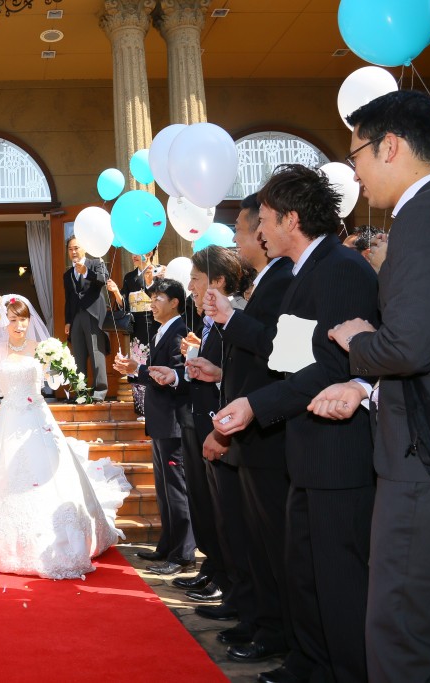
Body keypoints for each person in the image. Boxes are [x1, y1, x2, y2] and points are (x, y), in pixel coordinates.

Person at [315, 91, 430, 682]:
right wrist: (369, 389)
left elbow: (409, 347)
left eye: (357, 154)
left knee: (400, 643)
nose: (355, 173)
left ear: (388, 145)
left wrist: (356, 341)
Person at [211, 164, 379, 683]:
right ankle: (310, 664)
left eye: (263, 219)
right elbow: (288, 356)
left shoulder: (339, 268)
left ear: (291, 218)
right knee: (306, 573)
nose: (258, 232)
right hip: (306, 449)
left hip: (337, 453)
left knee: (337, 582)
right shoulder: (309, 268)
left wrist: (255, 406)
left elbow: (330, 368)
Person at [0, 296, 131, 578]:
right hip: (9, 417)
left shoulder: (41, 348)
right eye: (12, 320)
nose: (19, 325)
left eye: (23, 319)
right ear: (3, 322)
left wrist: (61, 367)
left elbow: (54, 382)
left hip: (37, 417)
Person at [199, 193, 297, 666]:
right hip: (249, 425)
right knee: (255, 538)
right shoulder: (266, 279)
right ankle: (262, 619)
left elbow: (283, 353)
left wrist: (232, 319)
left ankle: (274, 627)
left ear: (265, 229)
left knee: (271, 541)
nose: (238, 241)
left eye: (240, 230)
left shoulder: (284, 279)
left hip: (267, 429)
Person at [182, 247, 254, 628]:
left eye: (195, 278)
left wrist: (219, 375)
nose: (190, 286)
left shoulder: (237, 319)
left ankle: (239, 596)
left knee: (233, 520)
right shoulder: (210, 323)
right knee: (219, 515)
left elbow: (250, 375)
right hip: (209, 424)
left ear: (219, 282)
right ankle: (228, 587)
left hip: (228, 430)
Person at [114, 278, 196, 574]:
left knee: (177, 488)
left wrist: (140, 369)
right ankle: (166, 545)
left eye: (158, 296)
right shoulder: (161, 330)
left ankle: (183, 552)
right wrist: (134, 372)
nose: (152, 301)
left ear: (175, 301)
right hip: (160, 420)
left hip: (174, 421)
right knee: (163, 488)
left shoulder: (180, 333)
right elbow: (156, 375)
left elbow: (178, 376)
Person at [64, 235, 110, 402]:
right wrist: (67, 321)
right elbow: (69, 299)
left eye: (76, 248)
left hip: (93, 314)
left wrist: (87, 273)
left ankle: (99, 392)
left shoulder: (96, 263)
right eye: (70, 249)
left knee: (96, 352)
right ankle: (80, 393)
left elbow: (103, 279)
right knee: (78, 355)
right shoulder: (68, 274)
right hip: (76, 316)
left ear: (84, 248)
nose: (73, 252)